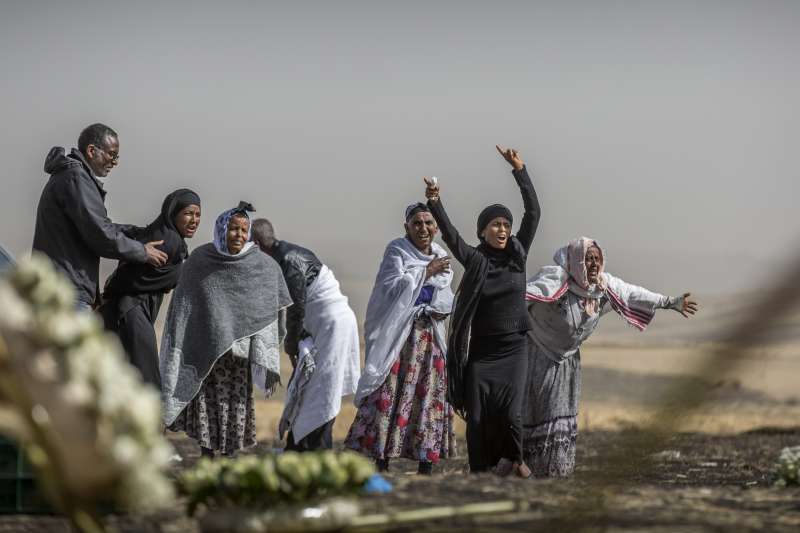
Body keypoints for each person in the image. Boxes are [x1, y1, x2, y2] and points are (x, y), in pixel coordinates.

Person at [523, 237, 698, 477]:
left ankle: (554, 472)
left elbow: (633, 293)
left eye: (597, 259)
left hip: (567, 364)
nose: (594, 264)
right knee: (533, 412)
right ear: (576, 261)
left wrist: (669, 302)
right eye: (588, 259)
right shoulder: (556, 279)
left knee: (559, 416)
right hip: (536, 354)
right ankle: (520, 468)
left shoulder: (602, 288)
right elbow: (521, 295)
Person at [424, 145, 541, 478]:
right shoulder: (475, 260)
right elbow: (450, 235)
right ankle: (479, 472)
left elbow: (533, 213)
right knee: (476, 419)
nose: (502, 229)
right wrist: (435, 201)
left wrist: (520, 170)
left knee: (511, 416)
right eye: (495, 225)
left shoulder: (518, 253)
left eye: (506, 224)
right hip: (482, 352)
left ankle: (517, 465)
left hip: (514, 349)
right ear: (482, 232)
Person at [161, 202, 291, 458]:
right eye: (233, 229)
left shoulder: (260, 265)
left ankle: (229, 457)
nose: (239, 236)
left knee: (234, 405)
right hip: (206, 351)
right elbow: (184, 304)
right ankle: (208, 455)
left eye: (244, 230)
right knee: (207, 407)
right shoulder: (200, 260)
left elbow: (273, 294)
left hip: (238, 357)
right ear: (222, 229)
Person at [345, 202, 456, 475]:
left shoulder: (441, 255)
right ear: (406, 226)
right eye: (416, 223)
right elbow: (390, 289)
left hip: (429, 338)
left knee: (429, 395)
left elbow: (445, 296)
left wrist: (435, 302)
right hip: (400, 338)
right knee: (390, 391)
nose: (423, 228)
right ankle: (381, 458)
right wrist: (426, 273)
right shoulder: (397, 251)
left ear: (437, 228)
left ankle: (425, 462)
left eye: (428, 223)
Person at [250, 218, 360, 452]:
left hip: (332, 327)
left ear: (257, 244)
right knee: (308, 384)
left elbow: (296, 309)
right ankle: (299, 445)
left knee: (322, 388)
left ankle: (315, 448)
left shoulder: (288, 260)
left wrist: (290, 348)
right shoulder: (283, 256)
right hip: (323, 326)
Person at [32, 123, 167, 309]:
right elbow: (100, 234)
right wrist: (142, 252)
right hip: (65, 295)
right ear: (91, 150)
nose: (115, 162)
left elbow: (100, 226)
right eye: (111, 154)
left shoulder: (73, 176)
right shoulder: (76, 178)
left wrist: (138, 233)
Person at [99, 189, 201, 388]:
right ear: (173, 213)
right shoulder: (169, 241)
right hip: (131, 314)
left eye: (198, 215)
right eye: (188, 213)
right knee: (148, 384)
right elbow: (128, 276)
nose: (194, 220)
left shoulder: (162, 234)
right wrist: (111, 289)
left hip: (126, 312)